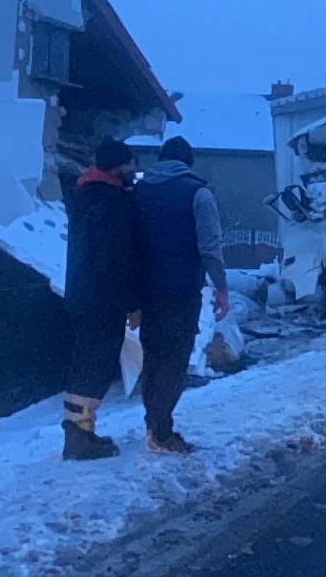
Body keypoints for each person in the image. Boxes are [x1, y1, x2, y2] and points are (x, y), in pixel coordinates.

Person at [133, 136, 229, 455]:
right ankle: (161, 432)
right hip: (181, 290)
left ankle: (154, 423)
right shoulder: (198, 193)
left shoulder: (138, 190)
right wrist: (222, 288)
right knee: (174, 360)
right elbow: (210, 248)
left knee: (153, 357)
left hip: (145, 289)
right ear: (188, 164)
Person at [61, 137, 141, 460]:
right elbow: (116, 259)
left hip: (81, 294)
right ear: (119, 168)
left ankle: (79, 429)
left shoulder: (83, 196)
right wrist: (132, 302)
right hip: (103, 300)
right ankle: (79, 437)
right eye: (131, 168)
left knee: (84, 362)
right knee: (97, 365)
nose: (134, 174)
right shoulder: (113, 204)